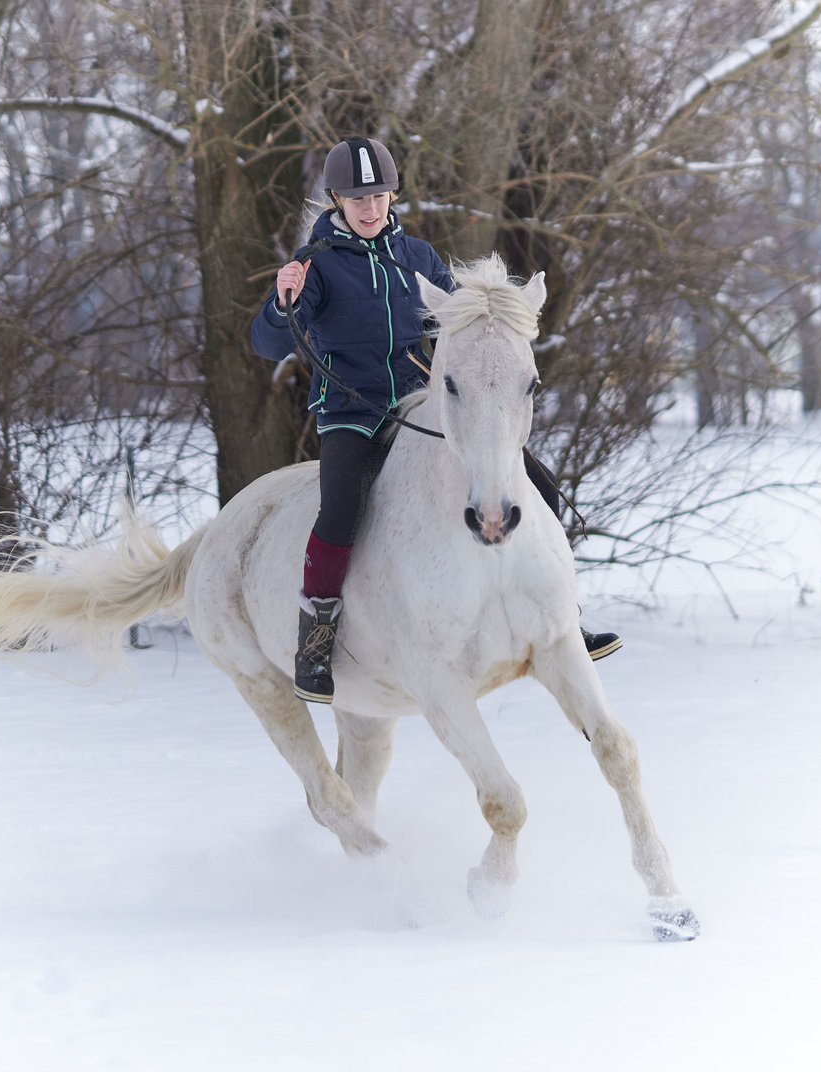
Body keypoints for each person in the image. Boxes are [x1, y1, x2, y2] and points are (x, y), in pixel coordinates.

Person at [251, 136, 621, 703]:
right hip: (351, 411)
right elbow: (267, 344)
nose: (370, 209)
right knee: (341, 506)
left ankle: (564, 615)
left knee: (532, 476)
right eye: (357, 199)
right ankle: (317, 635)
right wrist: (281, 306)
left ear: (392, 194)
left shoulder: (418, 257)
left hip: (421, 402)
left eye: (377, 196)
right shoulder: (313, 266)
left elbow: (462, 321)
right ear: (335, 201)